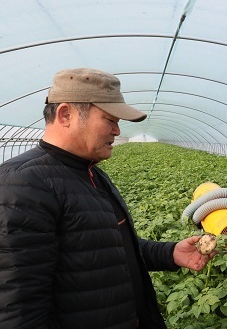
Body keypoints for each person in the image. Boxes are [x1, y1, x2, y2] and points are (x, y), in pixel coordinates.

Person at [0, 68, 215, 329]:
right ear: (65, 114)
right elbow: (19, 310)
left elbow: (107, 249)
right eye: (109, 119)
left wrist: (170, 254)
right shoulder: (23, 185)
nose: (116, 130)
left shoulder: (89, 172)